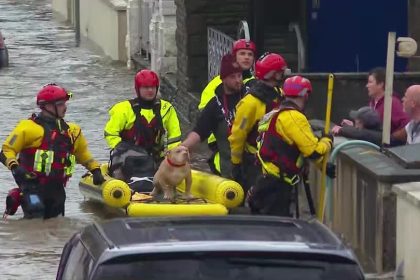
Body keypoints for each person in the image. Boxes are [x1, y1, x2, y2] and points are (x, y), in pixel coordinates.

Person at [0, 84, 105, 219]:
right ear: (47, 106)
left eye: (65, 103)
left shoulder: (72, 131)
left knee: (57, 224)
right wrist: (15, 167)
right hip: (31, 185)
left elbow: (83, 154)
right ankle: (19, 198)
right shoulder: (28, 128)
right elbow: (6, 151)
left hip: (57, 188)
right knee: (35, 214)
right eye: (60, 104)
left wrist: (95, 169)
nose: (65, 107)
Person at [248, 76, 333, 216]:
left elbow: (290, 147)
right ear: (306, 95)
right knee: (279, 232)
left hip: (264, 182)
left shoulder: (273, 114)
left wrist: (322, 165)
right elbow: (313, 152)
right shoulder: (294, 117)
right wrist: (327, 140)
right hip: (277, 187)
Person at [104, 69, 181, 184]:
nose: (150, 90)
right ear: (138, 89)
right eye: (145, 87)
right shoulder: (123, 109)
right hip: (127, 158)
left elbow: (175, 137)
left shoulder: (166, 109)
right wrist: (124, 149)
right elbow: (110, 133)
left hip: (156, 157)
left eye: (153, 87)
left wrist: (171, 156)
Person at [229, 52, 288, 192]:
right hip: (255, 163)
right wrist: (236, 164)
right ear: (272, 74)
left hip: (279, 161)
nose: (283, 76)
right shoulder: (251, 102)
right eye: (280, 73)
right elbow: (238, 134)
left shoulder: (280, 94)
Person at [198, 39, 257, 174]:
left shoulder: (255, 84)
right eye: (242, 53)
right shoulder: (216, 83)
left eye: (250, 54)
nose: (246, 57)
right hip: (220, 143)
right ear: (234, 56)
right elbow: (204, 112)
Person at [182, 54, 245, 178]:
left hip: (252, 167)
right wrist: (182, 147)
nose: (238, 80)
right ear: (223, 78)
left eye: (239, 76)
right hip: (229, 170)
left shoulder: (250, 96)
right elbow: (199, 132)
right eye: (233, 77)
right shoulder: (215, 105)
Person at [339, 67, 409, 143]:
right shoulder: (372, 102)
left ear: (380, 84)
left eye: (370, 82)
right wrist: (354, 126)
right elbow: (371, 131)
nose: (367, 85)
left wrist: (391, 139)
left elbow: (407, 126)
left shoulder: (392, 103)